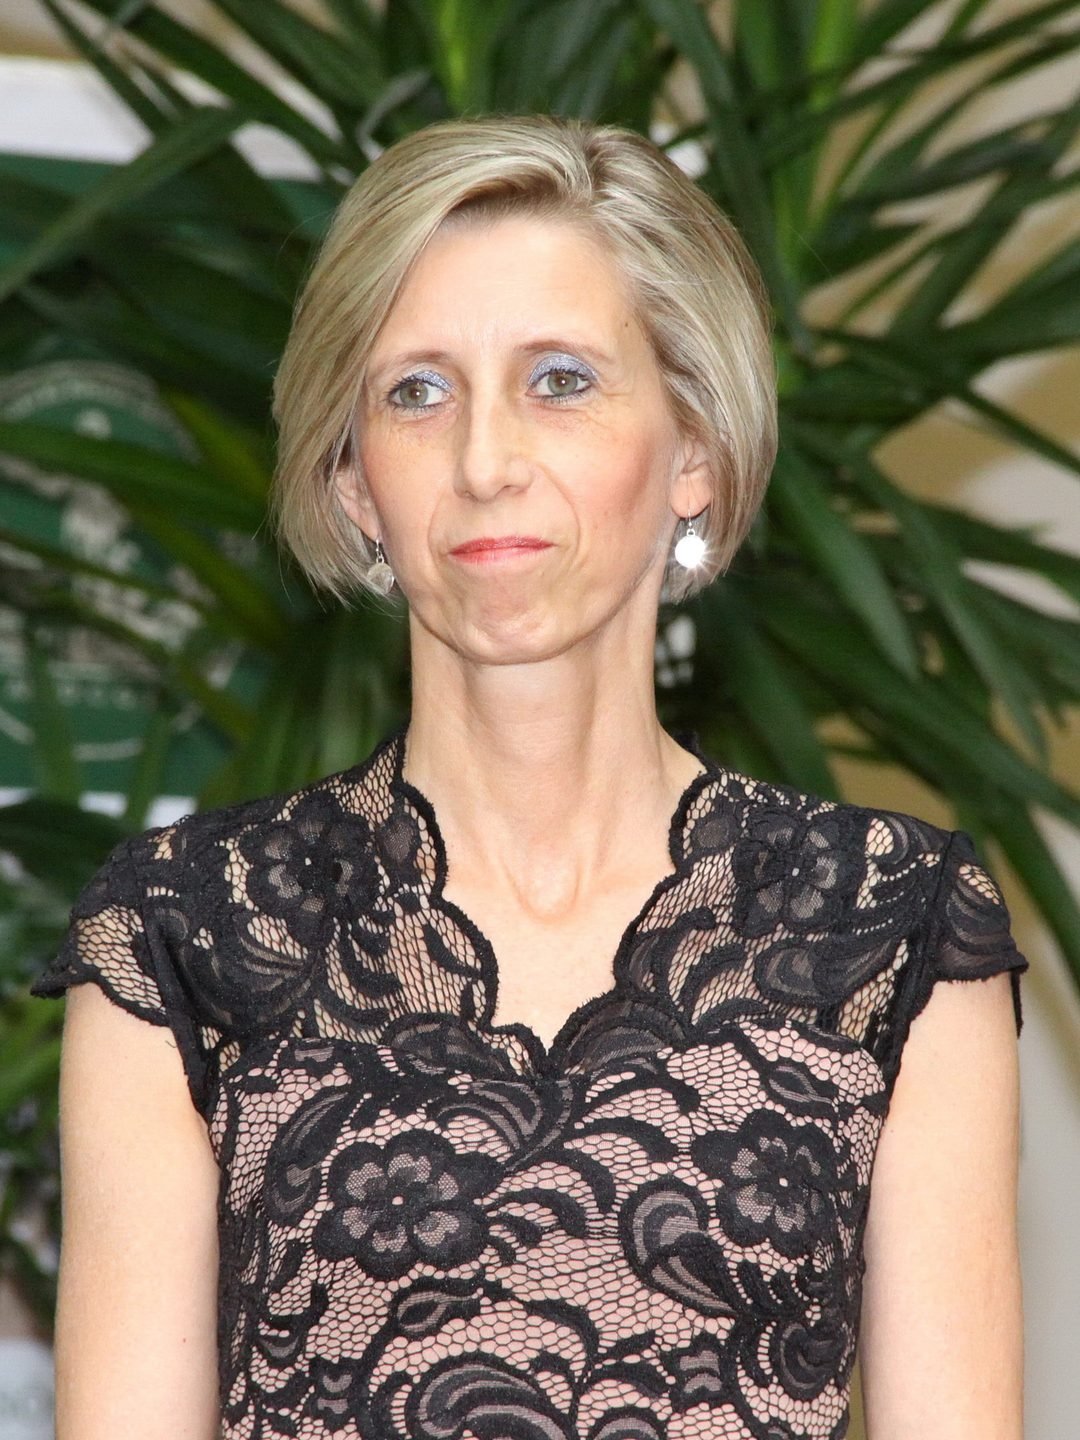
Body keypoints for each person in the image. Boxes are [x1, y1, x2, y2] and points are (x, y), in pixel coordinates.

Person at [31, 115, 1026, 1440]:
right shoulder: (187, 934)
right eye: (417, 392)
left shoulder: (891, 927)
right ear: (354, 484)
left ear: (694, 451)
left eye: (560, 380)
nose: (485, 460)